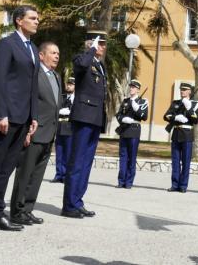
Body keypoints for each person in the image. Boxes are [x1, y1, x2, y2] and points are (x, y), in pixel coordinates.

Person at [0, 5, 39, 235]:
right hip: (7, 116)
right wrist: (1, 113)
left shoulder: (32, 48)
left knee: (8, 167)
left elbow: (32, 85)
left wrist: (34, 116)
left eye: (37, 18)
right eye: (32, 18)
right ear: (19, 21)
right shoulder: (7, 44)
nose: (36, 21)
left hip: (23, 117)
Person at [9, 41, 62, 225]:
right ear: (41, 55)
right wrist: (25, 130)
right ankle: (16, 211)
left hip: (49, 134)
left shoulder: (56, 76)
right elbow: (27, 102)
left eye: (58, 53)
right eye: (53, 53)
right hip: (34, 132)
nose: (56, 56)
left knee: (37, 175)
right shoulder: (34, 74)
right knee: (25, 174)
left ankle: (28, 209)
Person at [61, 31, 108, 218]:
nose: (103, 47)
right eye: (100, 43)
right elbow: (80, 65)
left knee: (86, 163)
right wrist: (91, 49)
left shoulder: (99, 65)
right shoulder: (82, 58)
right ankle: (69, 205)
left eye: (103, 44)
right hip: (83, 116)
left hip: (95, 117)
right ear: (92, 43)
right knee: (77, 161)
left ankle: (77, 201)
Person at [164, 83, 198, 192]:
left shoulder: (194, 104)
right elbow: (166, 116)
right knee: (175, 161)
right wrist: (176, 117)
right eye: (181, 90)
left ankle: (183, 186)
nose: (182, 91)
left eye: (185, 90)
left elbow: (196, 119)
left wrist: (189, 107)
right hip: (176, 133)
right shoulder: (176, 103)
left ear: (190, 92)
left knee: (185, 162)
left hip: (187, 134)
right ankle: (175, 185)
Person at [116, 79, 148, 189]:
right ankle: (121, 181)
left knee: (131, 157)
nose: (131, 89)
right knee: (123, 156)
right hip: (124, 130)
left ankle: (129, 182)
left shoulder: (142, 102)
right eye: (131, 87)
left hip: (134, 130)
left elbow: (144, 116)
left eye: (134, 87)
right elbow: (118, 115)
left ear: (138, 90)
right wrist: (123, 119)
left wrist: (137, 108)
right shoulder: (125, 101)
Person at [51, 77, 75, 183]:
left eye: (71, 84)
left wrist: (70, 112)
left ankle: (66, 175)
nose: (69, 86)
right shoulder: (62, 97)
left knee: (68, 152)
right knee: (59, 152)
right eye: (68, 84)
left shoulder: (76, 98)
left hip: (69, 128)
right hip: (60, 127)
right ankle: (59, 174)